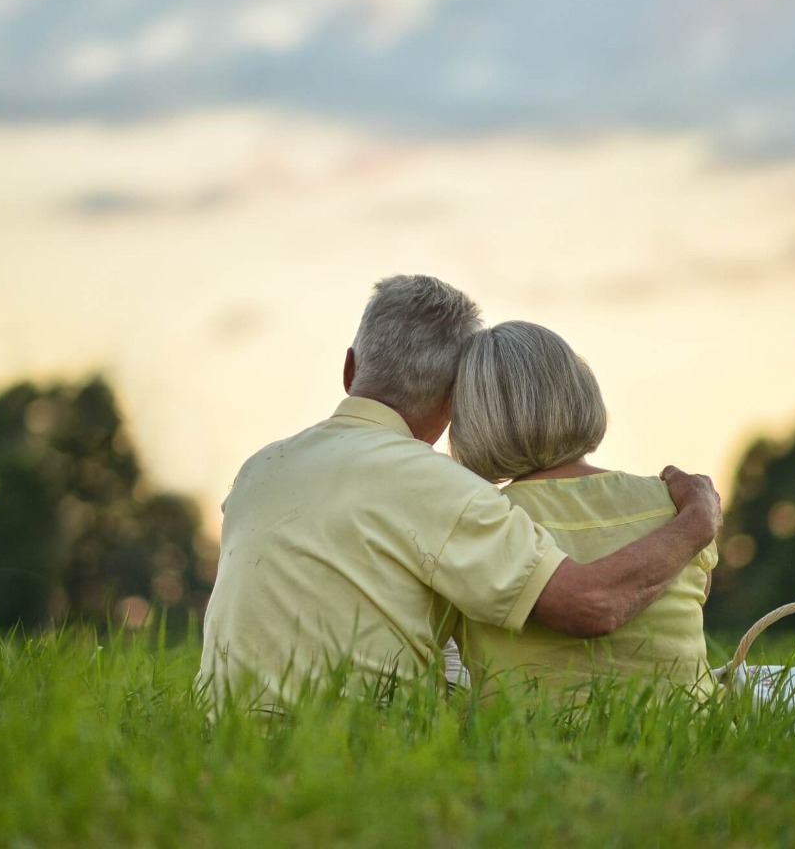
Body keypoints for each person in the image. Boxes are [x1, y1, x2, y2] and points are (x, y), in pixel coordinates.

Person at [198, 275, 720, 713]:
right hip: (359, 751)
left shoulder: (258, 469)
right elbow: (590, 605)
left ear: (351, 369)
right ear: (456, 399)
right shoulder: (437, 485)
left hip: (224, 742)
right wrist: (696, 523)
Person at [449, 321, 718, 697]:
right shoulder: (677, 501)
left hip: (526, 747)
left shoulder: (477, 521)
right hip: (698, 742)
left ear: (471, 421)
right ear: (580, 391)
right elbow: (697, 593)